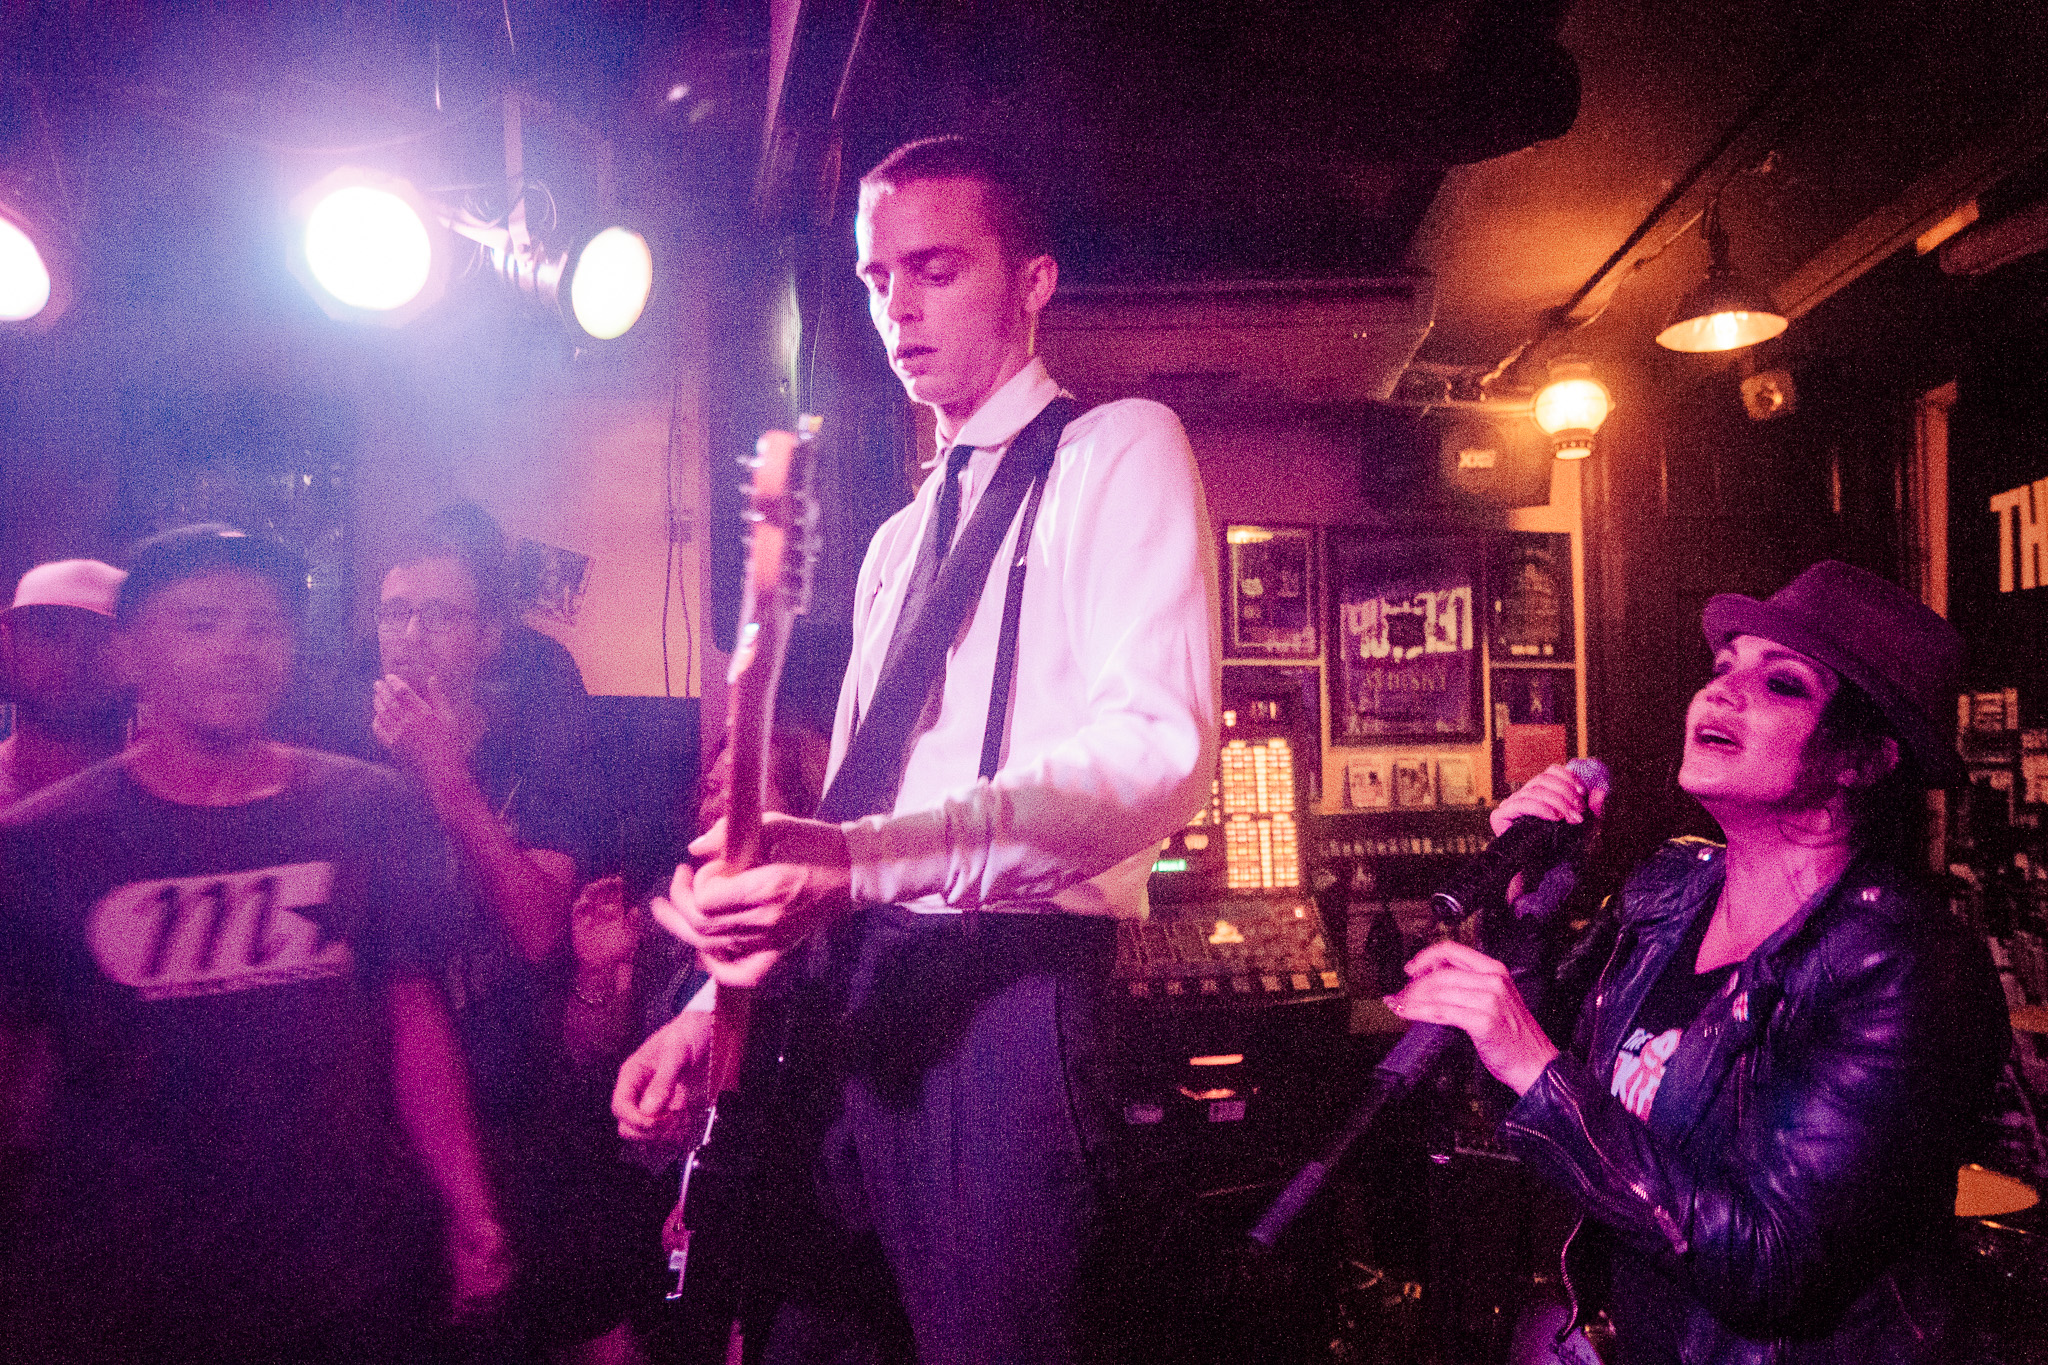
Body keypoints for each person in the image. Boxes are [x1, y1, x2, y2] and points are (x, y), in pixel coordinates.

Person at [624, 135, 1221, 1363]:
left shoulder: (1117, 449)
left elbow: (1155, 752)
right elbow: (851, 820)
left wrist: (857, 861)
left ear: (1033, 281)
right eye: (875, 277)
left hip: (1005, 998)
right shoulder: (897, 542)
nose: (896, 306)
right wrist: (712, 1006)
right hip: (856, 996)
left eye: (936, 270)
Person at [1385, 560, 2008, 1364]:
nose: (1721, 693)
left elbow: (1775, 1268)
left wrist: (1535, 1065)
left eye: (1781, 683)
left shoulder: (1908, 965)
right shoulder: (1672, 886)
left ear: (1863, 757)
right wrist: (1523, 908)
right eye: (1722, 667)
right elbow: (1538, 1094)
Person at [0, 524, 510, 1364]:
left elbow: (412, 1015)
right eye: (200, 623)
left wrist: (468, 1200)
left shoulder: (370, 808)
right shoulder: (43, 843)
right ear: (130, 653)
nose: (238, 647)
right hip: (121, 1281)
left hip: (343, 1271)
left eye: (264, 624)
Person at [0, 558, 127, 808]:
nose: (73, 655)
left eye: (100, 636)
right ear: (9, 645)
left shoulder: (178, 787)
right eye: (48, 631)